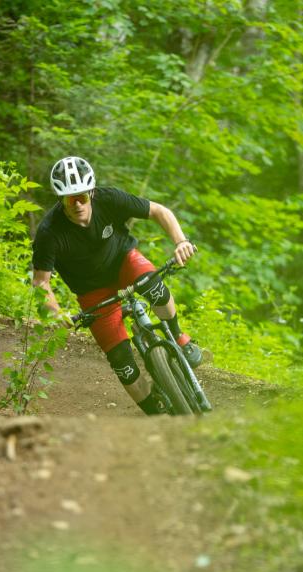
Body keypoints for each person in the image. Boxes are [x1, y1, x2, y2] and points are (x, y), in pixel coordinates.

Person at [31, 155, 202, 415]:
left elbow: (159, 211)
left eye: (82, 197)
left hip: (124, 261)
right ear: (60, 199)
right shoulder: (49, 232)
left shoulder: (109, 199)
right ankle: (154, 414)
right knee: (121, 362)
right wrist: (57, 313)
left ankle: (179, 338)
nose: (77, 204)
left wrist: (180, 242)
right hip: (92, 292)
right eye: (69, 198)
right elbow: (41, 283)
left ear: (91, 192)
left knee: (152, 284)